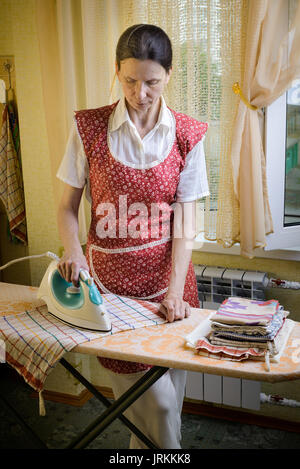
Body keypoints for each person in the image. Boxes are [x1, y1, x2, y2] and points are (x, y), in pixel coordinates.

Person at [56, 24, 209, 449]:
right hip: (111, 296)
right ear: (117, 72)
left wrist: (175, 294)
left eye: (152, 82)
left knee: (165, 407)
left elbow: (186, 222)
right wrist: (74, 253)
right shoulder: (89, 128)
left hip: (170, 293)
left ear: (169, 76)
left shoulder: (187, 135)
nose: (140, 93)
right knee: (155, 410)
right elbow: (67, 207)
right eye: (130, 80)